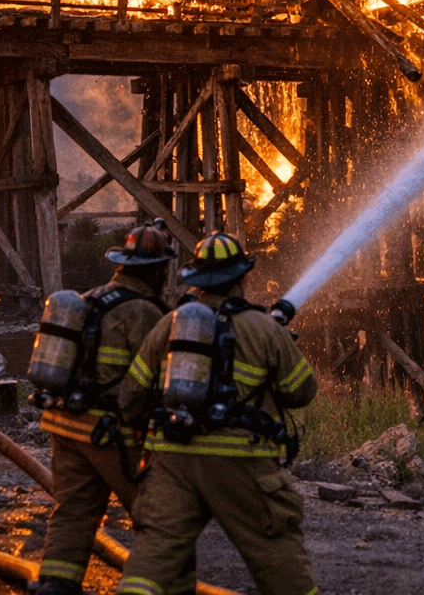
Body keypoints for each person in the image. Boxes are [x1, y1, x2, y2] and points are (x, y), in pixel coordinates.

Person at [114, 232, 318, 595]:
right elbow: (300, 392)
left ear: (195, 278)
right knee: (276, 552)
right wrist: (279, 346)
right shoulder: (265, 329)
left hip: (173, 457)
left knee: (154, 553)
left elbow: (132, 393)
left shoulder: (170, 324)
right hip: (242, 461)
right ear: (241, 277)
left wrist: (141, 440)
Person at [35, 223, 173, 595]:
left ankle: (55, 583)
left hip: (65, 423)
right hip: (108, 432)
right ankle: (150, 587)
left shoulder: (90, 298)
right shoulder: (145, 311)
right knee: (154, 516)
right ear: (157, 269)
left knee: (74, 508)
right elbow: (155, 380)